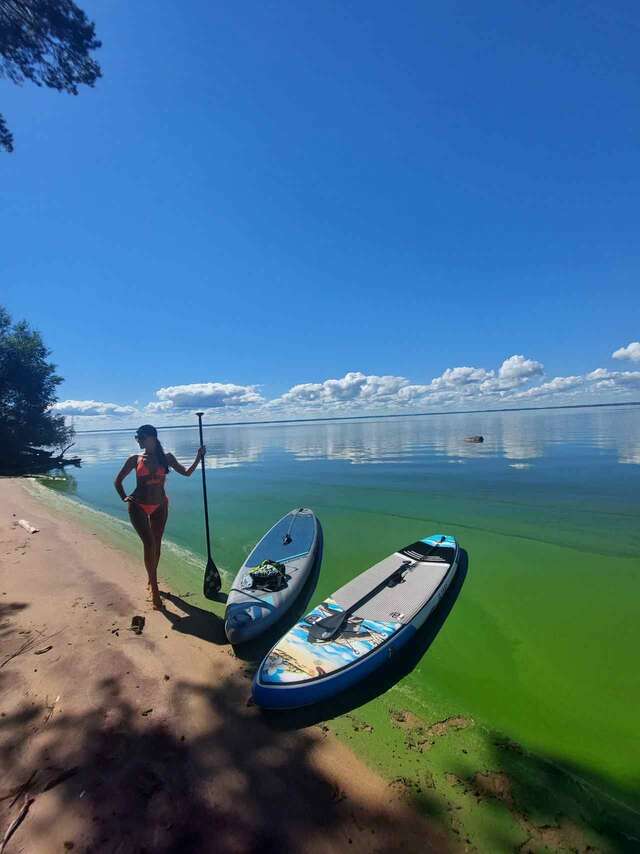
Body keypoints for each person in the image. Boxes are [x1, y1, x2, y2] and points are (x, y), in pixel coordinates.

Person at [114, 424, 205, 609]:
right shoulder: (134, 459)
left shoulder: (167, 457)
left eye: (139, 436)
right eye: (136, 437)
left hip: (160, 506)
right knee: (149, 544)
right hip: (138, 505)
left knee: (157, 545)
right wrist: (124, 497)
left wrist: (198, 457)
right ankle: (154, 590)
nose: (137, 440)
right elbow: (118, 481)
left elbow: (187, 473)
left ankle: (151, 579)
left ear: (151, 438)